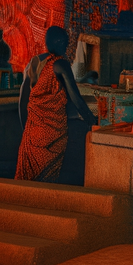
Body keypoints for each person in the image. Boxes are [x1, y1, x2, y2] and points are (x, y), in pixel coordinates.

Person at [16, 26, 94, 183]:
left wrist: (26, 130)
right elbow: (76, 99)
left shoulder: (34, 63)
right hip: (52, 134)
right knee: (47, 181)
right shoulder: (60, 64)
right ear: (59, 42)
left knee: (27, 183)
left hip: (31, 134)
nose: (66, 47)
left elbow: (23, 101)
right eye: (65, 43)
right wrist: (93, 122)